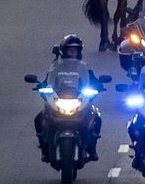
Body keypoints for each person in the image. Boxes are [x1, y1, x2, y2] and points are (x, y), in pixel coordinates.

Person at [40, 34, 100, 162]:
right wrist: (42, 87)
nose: (73, 52)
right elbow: (47, 81)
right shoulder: (55, 66)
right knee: (39, 118)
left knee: (97, 117)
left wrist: (97, 86)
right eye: (70, 50)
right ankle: (45, 149)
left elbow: (94, 81)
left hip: (78, 100)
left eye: (76, 50)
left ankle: (92, 149)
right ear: (64, 51)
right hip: (59, 100)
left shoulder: (84, 66)